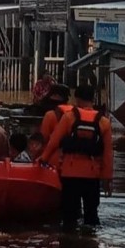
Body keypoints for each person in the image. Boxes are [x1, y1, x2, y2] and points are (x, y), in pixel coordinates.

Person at [38, 85, 113, 230]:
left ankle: (69, 246)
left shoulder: (69, 117)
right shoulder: (104, 122)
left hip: (70, 173)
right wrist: (107, 178)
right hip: (92, 175)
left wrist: (43, 159)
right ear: (93, 99)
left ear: (76, 98)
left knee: (69, 217)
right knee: (91, 216)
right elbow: (108, 153)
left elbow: (54, 141)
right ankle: (91, 246)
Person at [40, 84, 73, 168]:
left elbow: (44, 138)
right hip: (72, 161)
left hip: (52, 160)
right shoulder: (74, 113)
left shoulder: (50, 115)